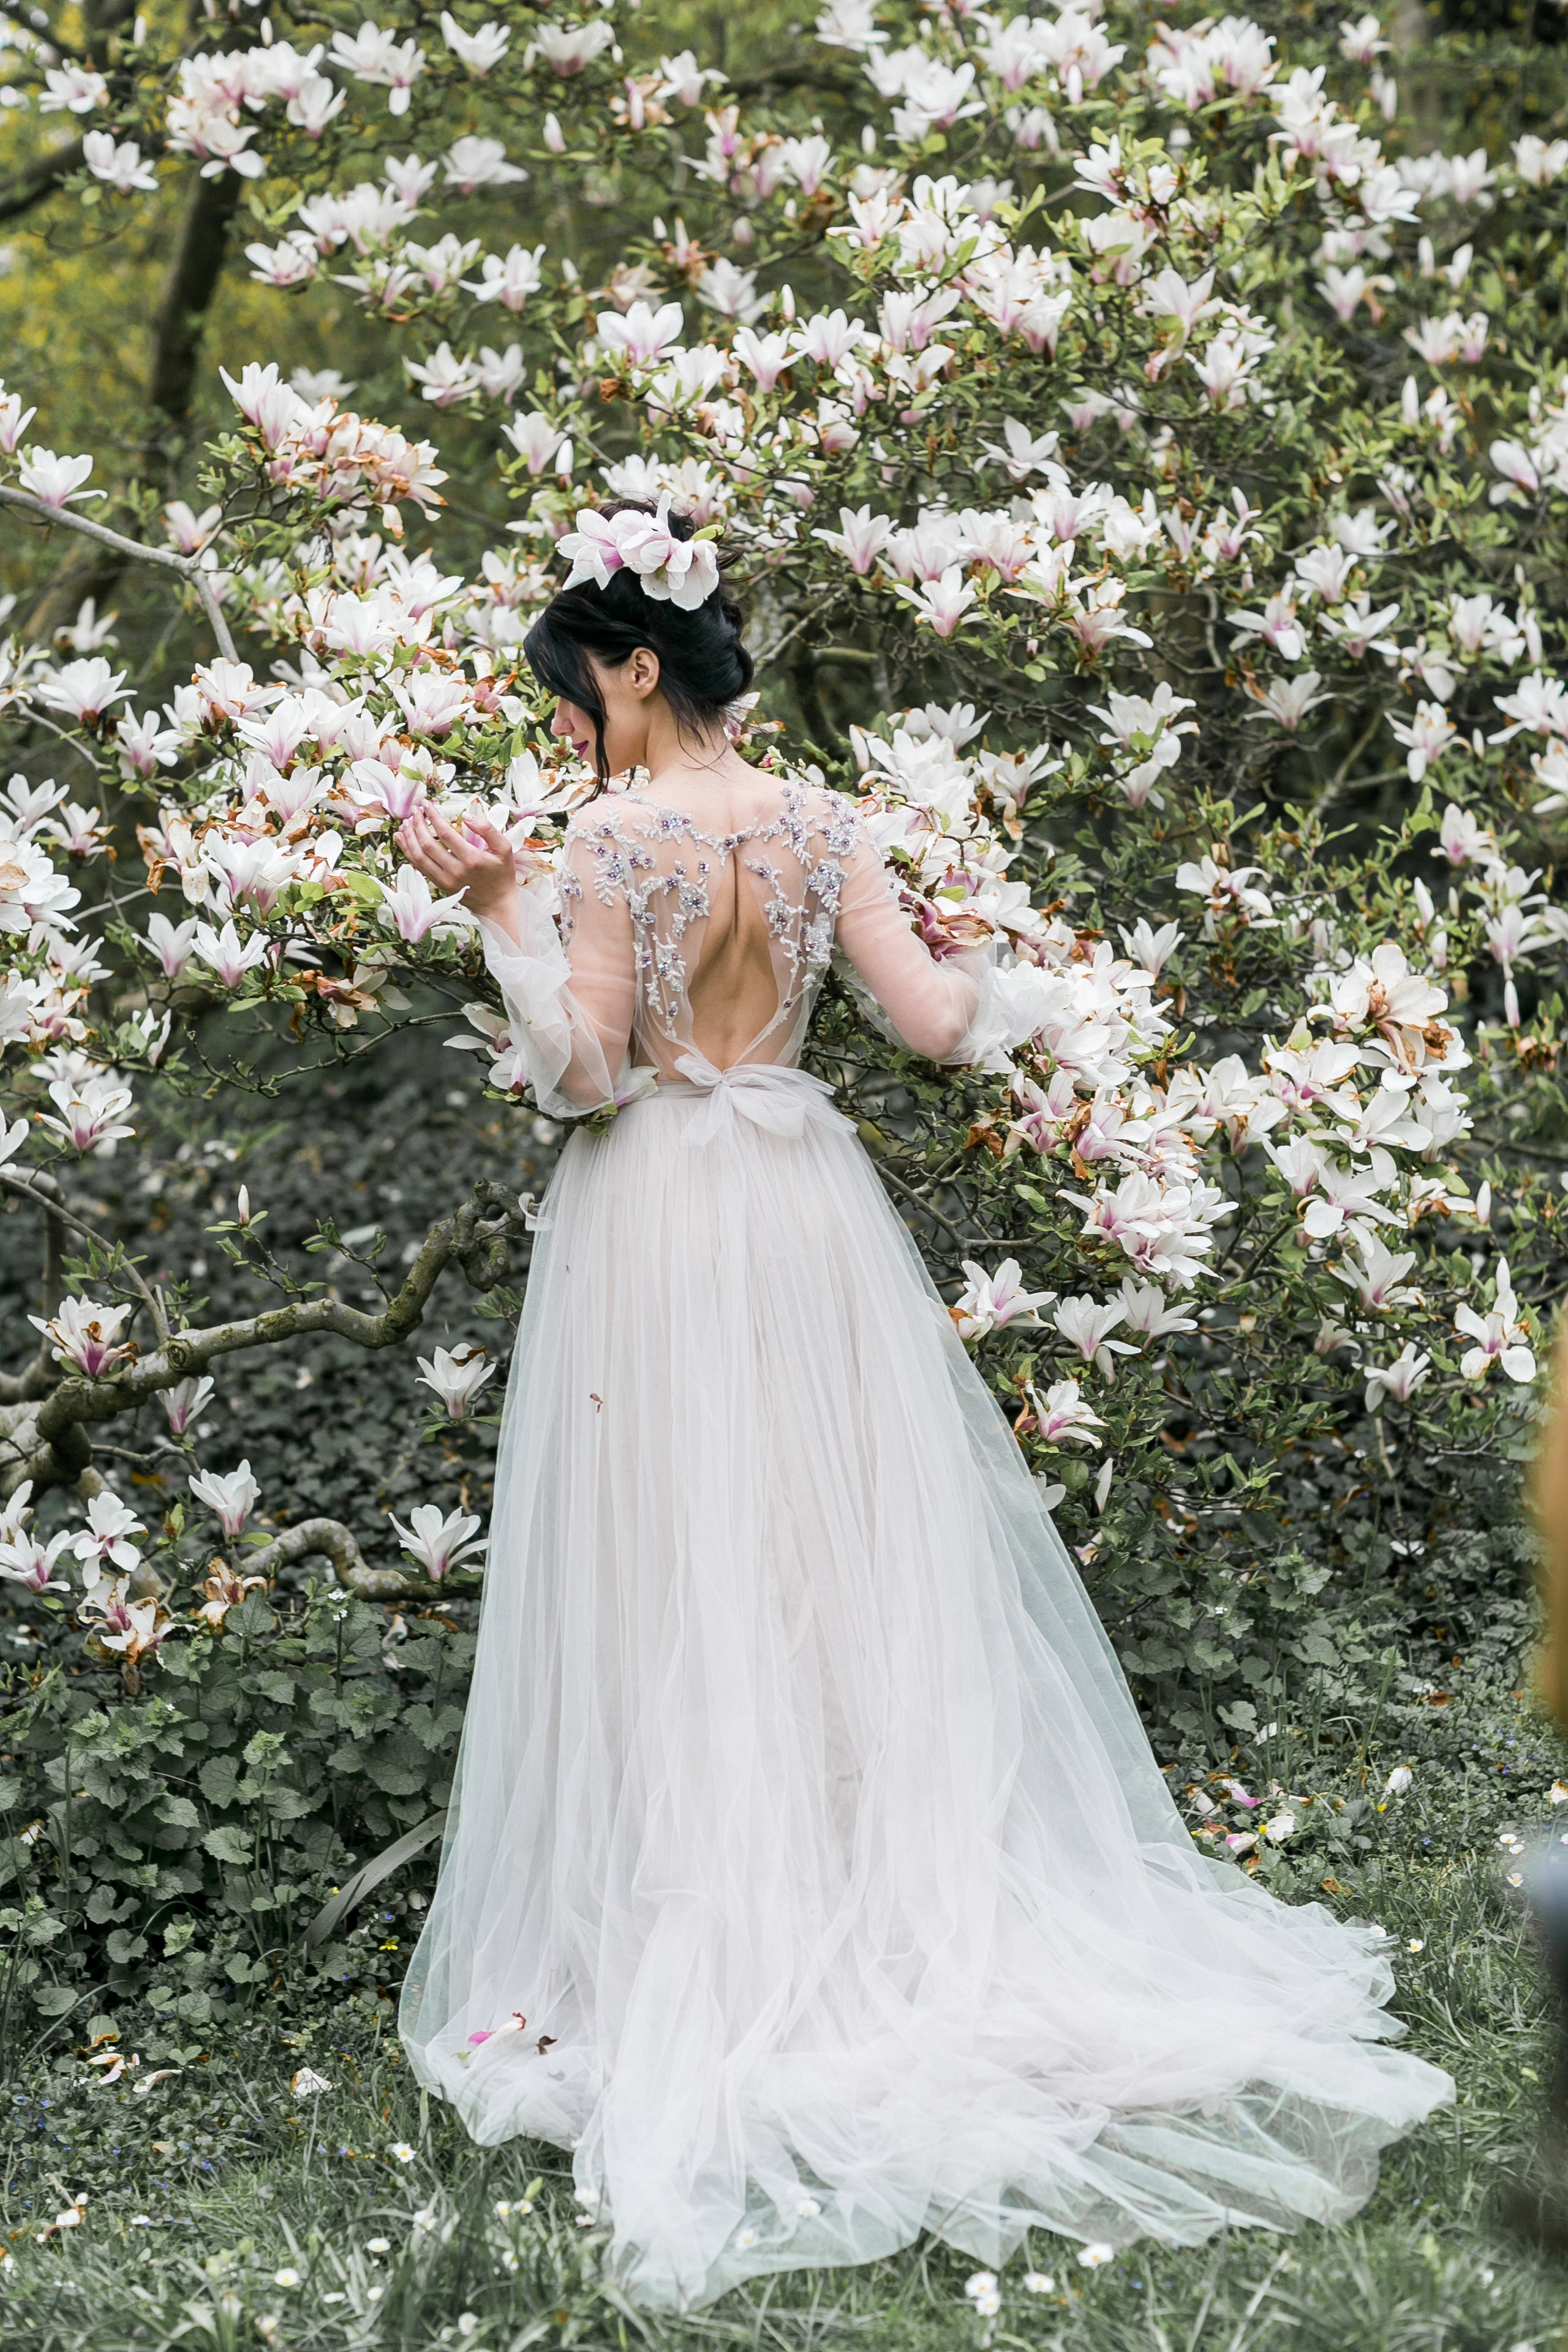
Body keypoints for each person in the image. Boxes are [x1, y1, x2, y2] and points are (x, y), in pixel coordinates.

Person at [395, 497, 1453, 2312]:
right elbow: (944, 1029)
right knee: (833, 1553)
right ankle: (868, 1894)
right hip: (808, 1202)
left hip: (664, 1212)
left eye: (576, 690)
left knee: (682, 1554)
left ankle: (714, 1926)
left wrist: (502, 910)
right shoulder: (828, 825)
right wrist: (1007, 970)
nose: (571, 726)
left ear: (635, 669)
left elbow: (579, 1078)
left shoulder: (610, 835)